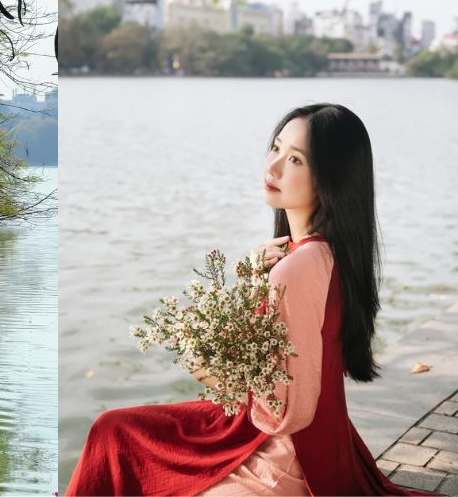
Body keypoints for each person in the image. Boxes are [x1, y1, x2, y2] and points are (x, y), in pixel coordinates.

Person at [65, 104, 443, 496]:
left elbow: (288, 411)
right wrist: (253, 285)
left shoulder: (296, 269)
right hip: (307, 439)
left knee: (127, 447)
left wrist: (204, 367)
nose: (273, 168)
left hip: (286, 457)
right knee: (113, 429)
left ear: (331, 179)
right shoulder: (321, 253)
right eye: (276, 148)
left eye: (295, 159)